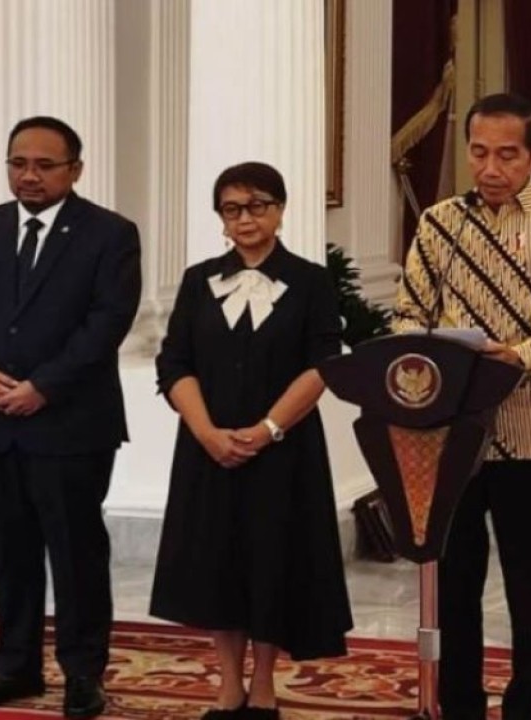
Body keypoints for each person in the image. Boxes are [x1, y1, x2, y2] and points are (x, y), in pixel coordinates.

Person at [392, 92, 531, 720]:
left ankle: (525, 705)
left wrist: (525, 353)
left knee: (528, 578)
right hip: (453, 427)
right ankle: (460, 705)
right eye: (479, 153)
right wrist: (423, 353)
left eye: (507, 155)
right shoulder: (439, 223)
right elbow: (409, 311)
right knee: (455, 578)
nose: (490, 168)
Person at [0, 116, 141, 718]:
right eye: (18, 163)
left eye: (44, 165)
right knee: (7, 548)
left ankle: (82, 675)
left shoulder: (110, 234)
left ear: (75, 169)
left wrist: (43, 387)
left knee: (75, 551)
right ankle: (14, 667)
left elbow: (106, 324)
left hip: (69, 424)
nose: (29, 175)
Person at [150, 162, 353, 720]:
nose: (245, 218)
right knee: (218, 562)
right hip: (209, 450)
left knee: (271, 562)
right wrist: (207, 433)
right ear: (221, 218)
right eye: (232, 208)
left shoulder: (311, 280)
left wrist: (267, 430)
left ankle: (263, 685)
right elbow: (175, 363)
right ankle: (228, 685)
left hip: (283, 452)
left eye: (258, 205)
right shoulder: (198, 280)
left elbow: (324, 362)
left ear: (281, 210)